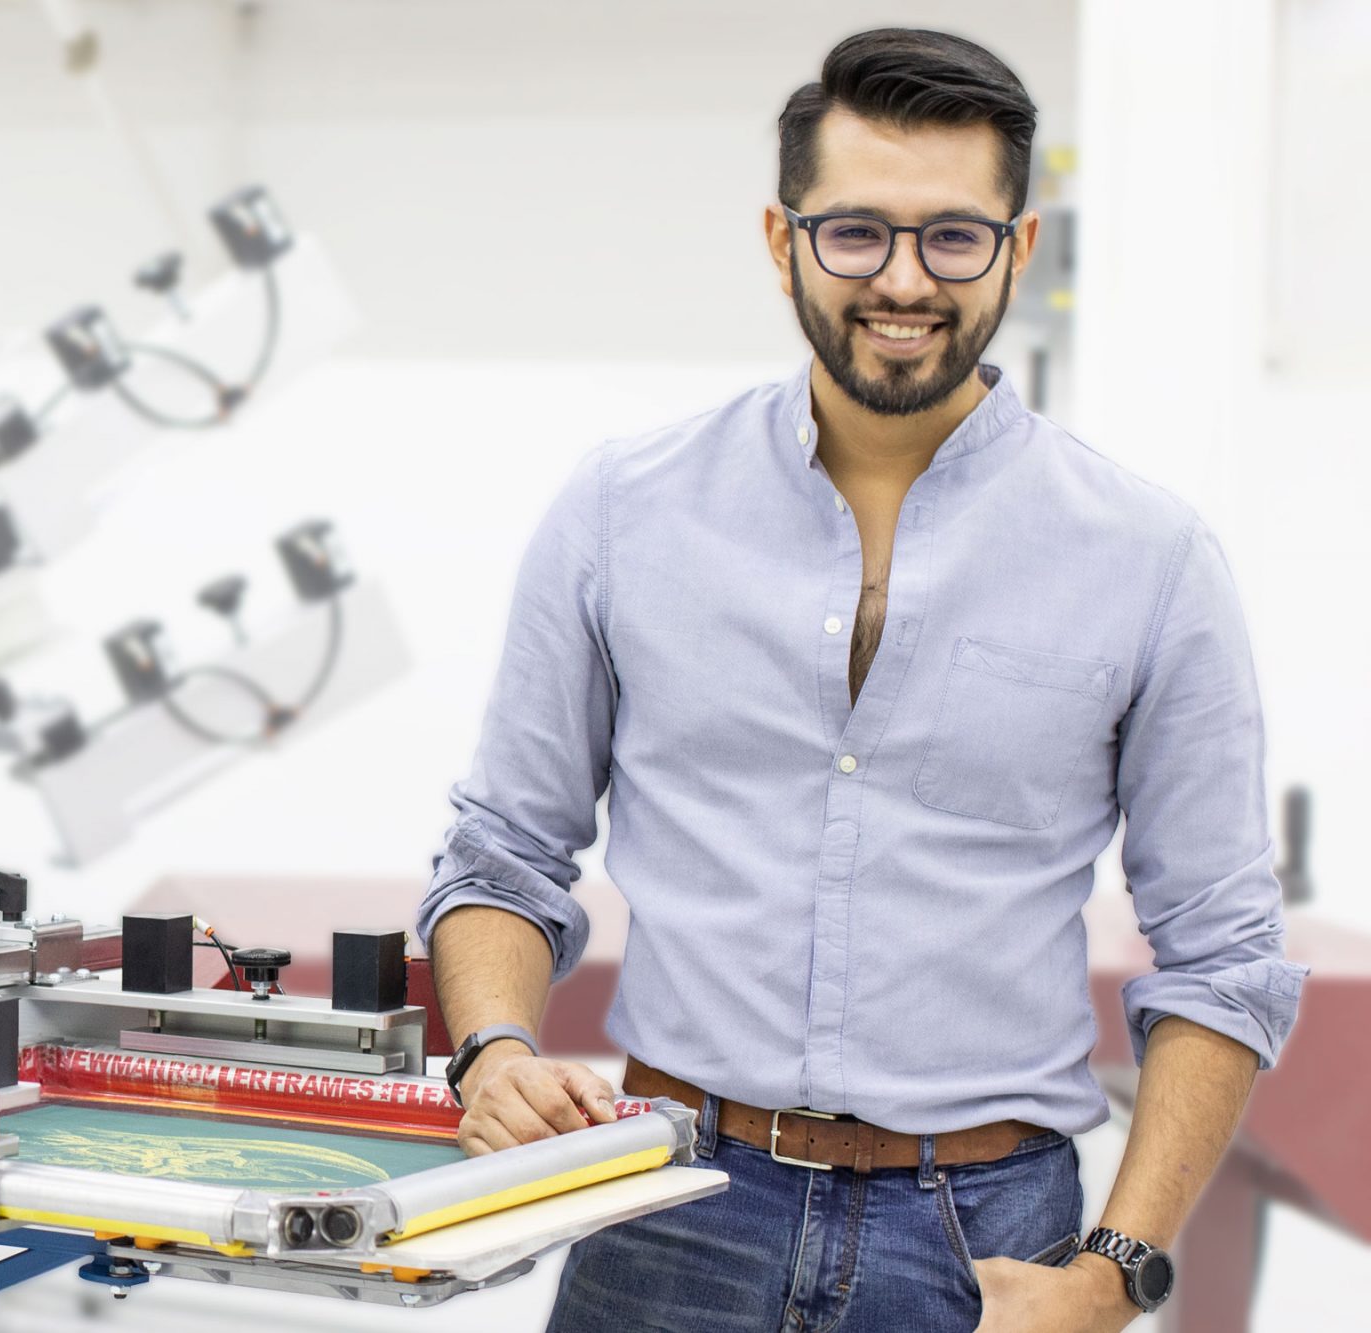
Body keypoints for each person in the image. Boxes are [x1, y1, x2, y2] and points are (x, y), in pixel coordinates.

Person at [416, 27, 1306, 1333]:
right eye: (856, 234)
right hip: (665, 1204)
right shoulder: (623, 512)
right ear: (782, 242)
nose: (903, 279)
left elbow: (1224, 955)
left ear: (1020, 247)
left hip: (988, 1233)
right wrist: (495, 1049)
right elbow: (503, 852)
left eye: (954, 236)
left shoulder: (1150, 558)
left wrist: (1114, 1273)